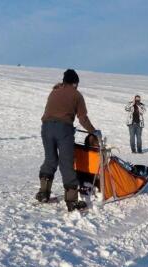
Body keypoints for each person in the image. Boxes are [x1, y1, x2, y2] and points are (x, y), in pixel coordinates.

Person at [36, 69, 98, 212]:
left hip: (46, 128)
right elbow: (82, 118)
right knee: (66, 163)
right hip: (63, 130)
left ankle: (44, 193)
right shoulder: (76, 95)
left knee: (50, 159)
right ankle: (71, 201)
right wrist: (93, 132)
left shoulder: (54, 91)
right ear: (75, 83)